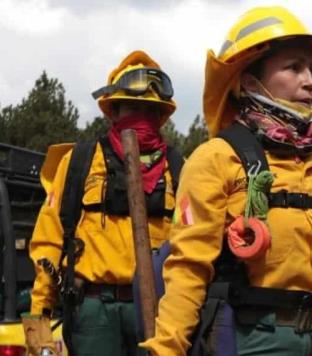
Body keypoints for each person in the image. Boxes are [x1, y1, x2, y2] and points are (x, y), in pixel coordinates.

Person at [141, 6, 312, 356]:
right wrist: (166, 348)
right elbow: (188, 266)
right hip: (250, 338)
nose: (310, 81)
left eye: (311, 69)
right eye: (293, 67)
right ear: (251, 82)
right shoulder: (217, 158)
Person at [23, 50, 182, 356]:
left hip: (160, 312)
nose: (142, 118)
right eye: (132, 108)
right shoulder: (79, 162)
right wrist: (38, 338)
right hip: (92, 313)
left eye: (150, 110)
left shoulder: (180, 169)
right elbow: (46, 245)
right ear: (113, 111)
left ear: (162, 116)